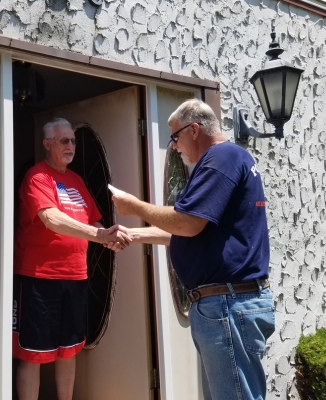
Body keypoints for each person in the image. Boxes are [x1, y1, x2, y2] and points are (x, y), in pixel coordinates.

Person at [109, 99, 274, 400]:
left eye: (175, 137)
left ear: (194, 129)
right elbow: (189, 231)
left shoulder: (219, 158)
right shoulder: (233, 158)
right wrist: (133, 234)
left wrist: (133, 206)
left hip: (227, 304)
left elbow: (188, 224)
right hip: (229, 302)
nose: (174, 147)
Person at [13, 118, 129, 400]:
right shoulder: (37, 177)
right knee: (33, 353)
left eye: (73, 141)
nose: (71, 146)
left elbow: (96, 222)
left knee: (70, 349)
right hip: (39, 279)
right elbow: (51, 219)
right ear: (47, 144)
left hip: (76, 277)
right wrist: (99, 236)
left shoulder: (76, 180)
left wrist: (111, 238)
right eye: (64, 141)